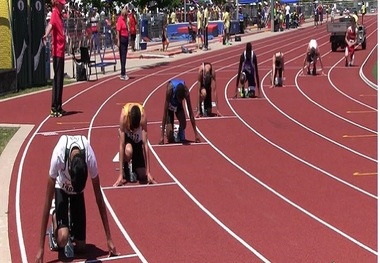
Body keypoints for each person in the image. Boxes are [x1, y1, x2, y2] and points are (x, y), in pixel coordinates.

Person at [35, 135, 117, 262]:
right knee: (62, 239)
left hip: (78, 194)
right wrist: (40, 249)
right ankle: (56, 219)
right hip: (61, 188)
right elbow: (46, 201)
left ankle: (70, 227)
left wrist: (109, 238)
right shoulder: (58, 155)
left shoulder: (89, 155)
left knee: (81, 248)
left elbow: (99, 197)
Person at [114, 103, 156, 186]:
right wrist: (120, 175)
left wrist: (148, 172)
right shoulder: (124, 116)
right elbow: (121, 144)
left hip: (137, 140)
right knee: (129, 151)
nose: (133, 130)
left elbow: (145, 143)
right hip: (127, 139)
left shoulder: (143, 115)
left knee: (142, 175)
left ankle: (135, 166)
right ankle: (126, 166)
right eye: (132, 127)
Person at [42, 0, 66, 118]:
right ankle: (54, 107)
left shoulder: (60, 15)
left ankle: (59, 106)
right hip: (57, 52)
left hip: (61, 52)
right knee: (57, 80)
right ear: (57, 4)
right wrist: (46, 35)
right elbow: (51, 25)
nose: (63, 5)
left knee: (60, 80)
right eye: (62, 4)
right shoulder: (55, 14)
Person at [159, 79, 201, 144]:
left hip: (178, 106)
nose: (180, 100)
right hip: (170, 107)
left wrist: (196, 134)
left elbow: (191, 113)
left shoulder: (186, 92)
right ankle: (169, 131)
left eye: (181, 99)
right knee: (170, 138)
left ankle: (179, 134)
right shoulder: (170, 90)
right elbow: (164, 113)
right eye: (179, 99)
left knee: (184, 124)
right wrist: (161, 136)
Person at [116, 7, 129, 80]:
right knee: (123, 56)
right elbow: (118, 31)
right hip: (122, 39)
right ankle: (123, 73)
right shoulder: (120, 20)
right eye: (126, 15)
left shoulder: (125, 20)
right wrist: (118, 41)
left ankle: (123, 72)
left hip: (126, 38)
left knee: (124, 56)